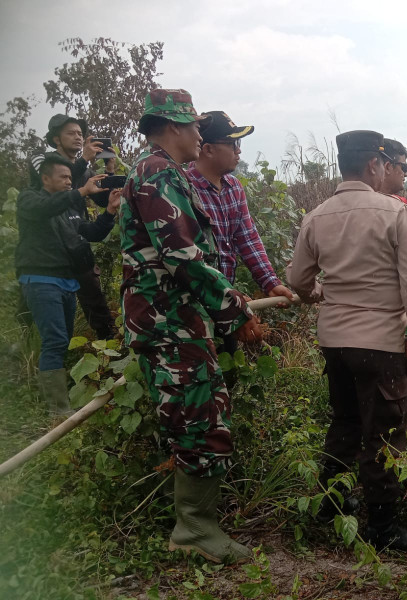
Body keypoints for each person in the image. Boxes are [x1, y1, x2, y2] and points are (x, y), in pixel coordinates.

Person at [120, 89, 262, 564]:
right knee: (201, 418)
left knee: (192, 414)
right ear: (173, 127)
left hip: (173, 318)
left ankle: (192, 521)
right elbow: (182, 255)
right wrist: (235, 311)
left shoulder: (162, 172)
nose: (200, 134)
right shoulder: (158, 173)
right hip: (169, 320)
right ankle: (195, 529)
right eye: (195, 126)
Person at [289, 130, 407, 551]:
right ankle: (382, 527)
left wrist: (318, 293)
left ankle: (331, 502)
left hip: (334, 342)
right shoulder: (393, 211)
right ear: (374, 165)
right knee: (384, 432)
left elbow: (298, 280)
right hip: (379, 343)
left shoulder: (316, 216)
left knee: (346, 420)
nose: (387, 170)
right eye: (386, 164)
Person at [15, 154, 120, 415]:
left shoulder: (70, 208)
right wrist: (82, 191)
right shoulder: (29, 200)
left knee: (62, 340)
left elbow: (92, 233)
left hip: (67, 282)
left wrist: (109, 212)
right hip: (41, 280)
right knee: (55, 340)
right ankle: (59, 412)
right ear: (45, 178)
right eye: (63, 177)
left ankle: (59, 404)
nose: (68, 182)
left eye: (71, 178)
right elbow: (46, 208)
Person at [186, 111, 294, 359]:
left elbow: (247, 239)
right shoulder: (185, 189)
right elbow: (193, 258)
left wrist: (270, 283)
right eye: (233, 143)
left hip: (227, 301)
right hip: (196, 302)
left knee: (228, 365)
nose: (239, 150)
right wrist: (230, 298)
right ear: (208, 149)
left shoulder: (233, 187)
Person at [27, 114, 119, 340]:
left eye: (80, 133)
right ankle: (33, 350)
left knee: (97, 306)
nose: (78, 137)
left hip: (77, 241)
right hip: (47, 251)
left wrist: (109, 172)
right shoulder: (42, 160)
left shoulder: (85, 171)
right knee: (40, 317)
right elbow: (50, 186)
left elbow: (101, 200)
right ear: (56, 139)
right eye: (71, 133)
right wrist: (84, 160)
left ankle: (107, 348)